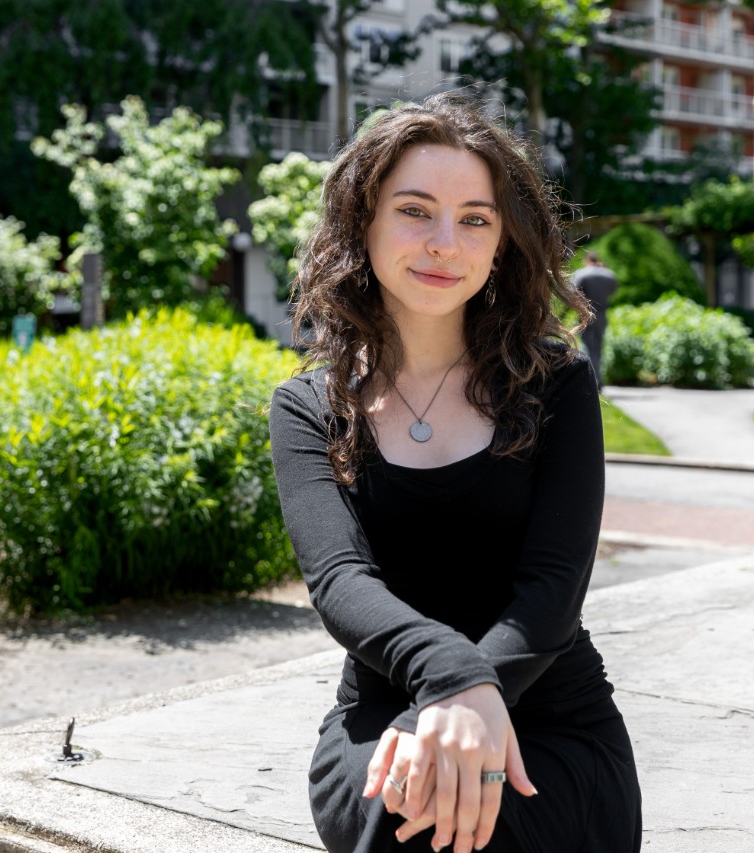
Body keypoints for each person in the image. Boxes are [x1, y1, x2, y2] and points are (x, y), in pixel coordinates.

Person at [269, 93, 641, 853]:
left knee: (461, 810)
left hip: (551, 719)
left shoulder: (559, 386)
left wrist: (475, 693)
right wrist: (446, 682)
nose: (446, 242)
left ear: (502, 241)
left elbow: (554, 587)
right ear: (362, 224)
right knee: (411, 803)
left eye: (475, 218)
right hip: (382, 713)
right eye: (415, 210)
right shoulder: (308, 406)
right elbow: (341, 582)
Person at [571, 252, 618, 388]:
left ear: (586, 261)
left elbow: (571, 290)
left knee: (586, 346)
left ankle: (591, 379)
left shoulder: (582, 273)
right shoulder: (608, 274)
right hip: (602, 313)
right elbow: (613, 290)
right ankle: (599, 379)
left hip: (585, 313)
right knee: (598, 347)